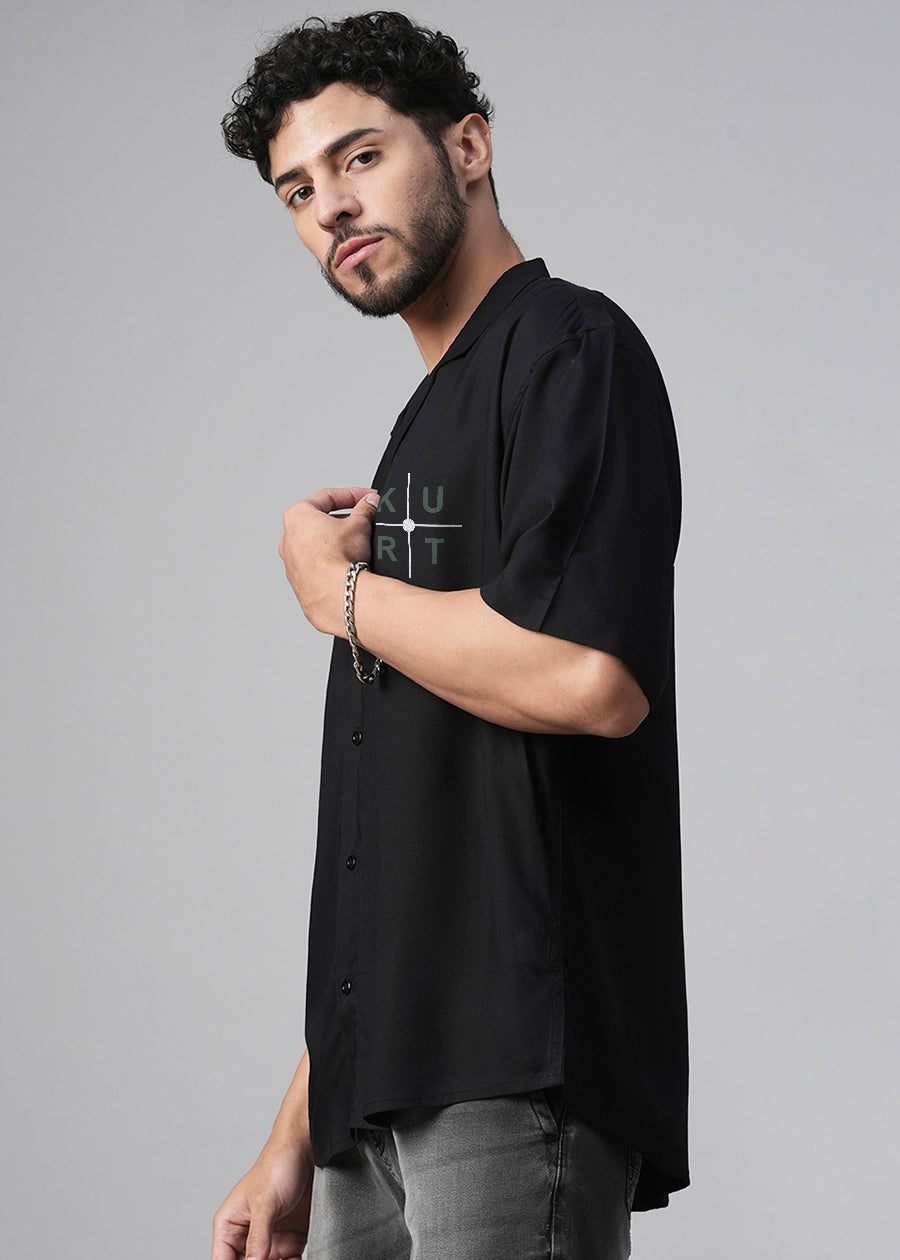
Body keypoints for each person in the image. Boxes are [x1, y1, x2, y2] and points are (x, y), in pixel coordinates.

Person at [212, 12, 688, 1259]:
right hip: (373, 1105)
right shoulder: (422, 429)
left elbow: (590, 676)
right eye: (297, 190)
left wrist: (335, 596)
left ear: (467, 147)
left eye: (361, 157)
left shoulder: (571, 348)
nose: (329, 206)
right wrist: (291, 1135)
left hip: (510, 1070)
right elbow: (404, 837)